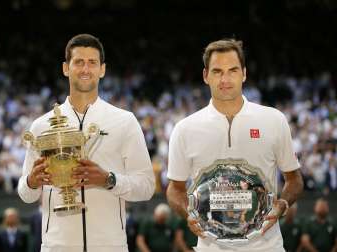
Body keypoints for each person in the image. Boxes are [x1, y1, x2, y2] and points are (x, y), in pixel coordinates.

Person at [18, 34, 155, 252]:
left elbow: (147, 187)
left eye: (92, 63)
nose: (85, 69)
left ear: (102, 69)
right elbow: (26, 194)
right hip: (57, 246)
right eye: (78, 62)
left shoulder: (124, 121)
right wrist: (32, 182)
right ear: (66, 68)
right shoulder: (41, 125)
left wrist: (109, 179)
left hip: (110, 246)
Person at [166, 39, 304, 252]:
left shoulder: (274, 120)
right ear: (205, 76)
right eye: (217, 71)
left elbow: (294, 180)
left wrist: (282, 204)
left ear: (244, 74)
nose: (225, 79)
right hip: (210, 247)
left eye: (232, 70)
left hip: (267, 247)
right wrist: (188, 213)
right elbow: (174, 190)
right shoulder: (185, 129)